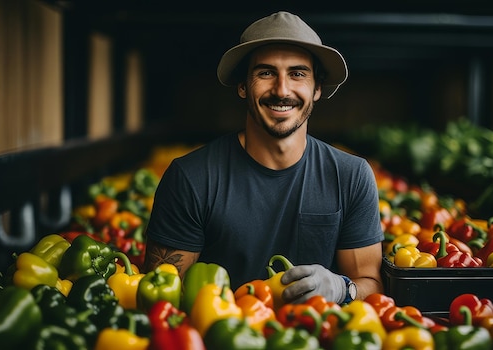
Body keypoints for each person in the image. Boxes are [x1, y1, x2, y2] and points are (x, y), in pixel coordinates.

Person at [143, 11, 384, 305]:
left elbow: (372, 284)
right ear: (243, 86)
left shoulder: (351, 175)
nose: (282, 90)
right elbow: (162, 300)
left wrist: (343, 289)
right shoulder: (191, 177)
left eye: (297, 74)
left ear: (317, 88)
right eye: (266, 73)